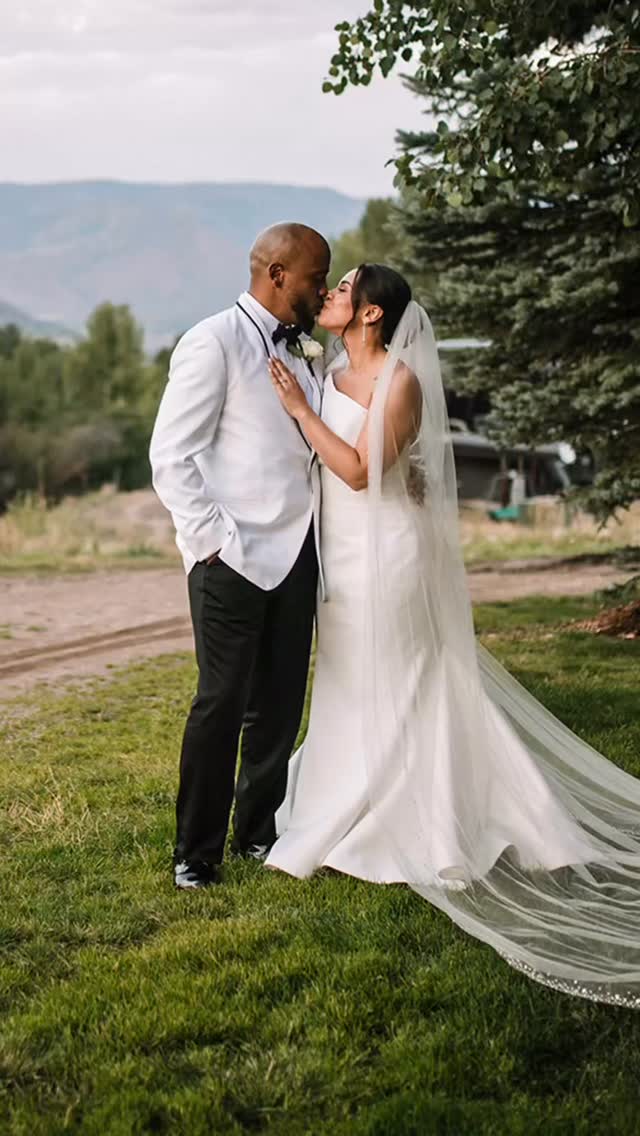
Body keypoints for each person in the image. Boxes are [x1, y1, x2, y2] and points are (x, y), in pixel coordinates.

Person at [266, 263, 640, 1009]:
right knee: (347, 678)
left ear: (371, 314)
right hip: (343, 554)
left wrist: (300, 415)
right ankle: (345, 799)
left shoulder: (398, 381)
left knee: (405, 680)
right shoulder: (336, 368)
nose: (329, 298)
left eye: (341, 291)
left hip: (389, 557)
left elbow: (365, 470)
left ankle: (420, 820)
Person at [149, 222, 330, 889]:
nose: (322, 288)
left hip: (298, 554)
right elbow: (172, 456)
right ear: (277, 273)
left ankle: (257, 834)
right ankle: (195, 854)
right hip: (230, 558)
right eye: (316, 275)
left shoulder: (309, 353)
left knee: (280, 706)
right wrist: (211, 543)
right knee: (220, 702)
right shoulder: (212, 340)